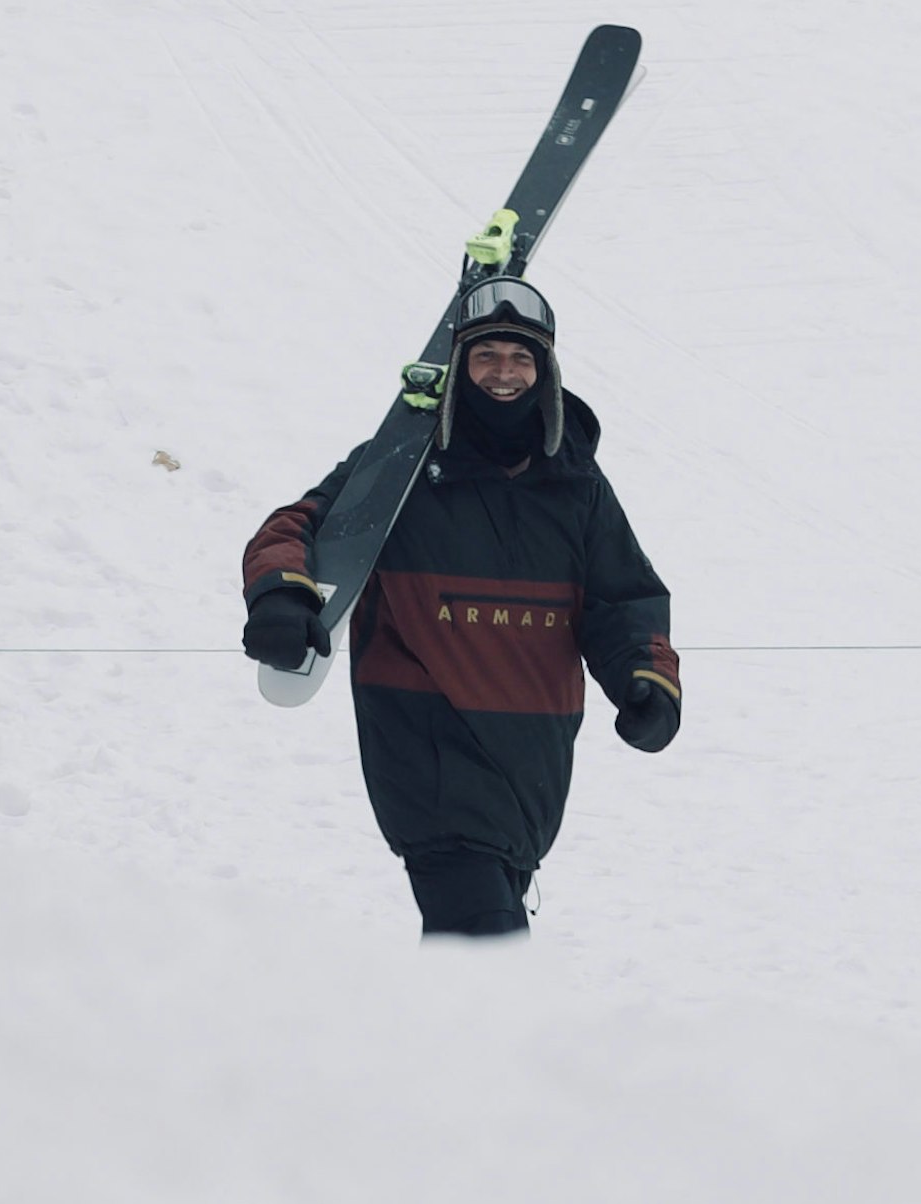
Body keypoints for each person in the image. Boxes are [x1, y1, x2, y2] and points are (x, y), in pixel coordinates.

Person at [240, 277, 680, 938]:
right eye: (486, 356)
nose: (504, 373)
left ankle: (433, 1043)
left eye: (520, 358)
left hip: (530, 757)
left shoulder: (575, 483)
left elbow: (622, 598)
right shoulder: (403, 466)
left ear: (546, 371)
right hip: (428, 746)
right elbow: (293, 528)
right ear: (459, 366)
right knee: (488, 950)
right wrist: (280, 596)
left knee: (476, 960)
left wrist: (646, 680)